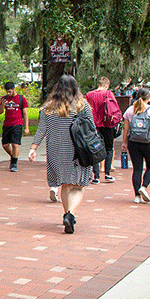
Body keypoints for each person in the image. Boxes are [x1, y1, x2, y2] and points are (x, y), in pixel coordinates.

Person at [28, 74, 92, 234]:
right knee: (79, 185)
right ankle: (70, 214)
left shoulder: (48, 107)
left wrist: (33, 148)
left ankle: (66, 214)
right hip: (78, 151)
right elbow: (91, 128)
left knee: (64, 184)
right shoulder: (82, 106)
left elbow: (41, 129)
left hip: (56, 151)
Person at [121, 87, 150, 204]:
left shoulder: (130, 110)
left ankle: (137, 196)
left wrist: (124, 142)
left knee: (137, 169)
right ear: (148, 97)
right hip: (149, 142)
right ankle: (144, 187)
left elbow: (126, 128)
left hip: (133, 142)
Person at [84, 77, 120, 184]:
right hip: (106, 124)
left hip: (93, 124)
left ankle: (96, 176)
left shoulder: (89, 95)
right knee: (109, 148)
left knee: (94, 149)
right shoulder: (108, 94)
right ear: (106, 85)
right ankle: (107, 174)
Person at [0, 81, 29, 172]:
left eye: (10, 91)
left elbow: (25, 113)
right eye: (7, 91)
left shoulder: (21, 98)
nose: (8, 93)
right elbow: (0, 112)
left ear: (14, 89)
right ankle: (14, 156)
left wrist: (26, 127)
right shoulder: (4, 98)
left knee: (15, 144)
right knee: (5, 144)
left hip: (17, 123)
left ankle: (14, 163)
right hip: (7, 124)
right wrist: (2, 105)